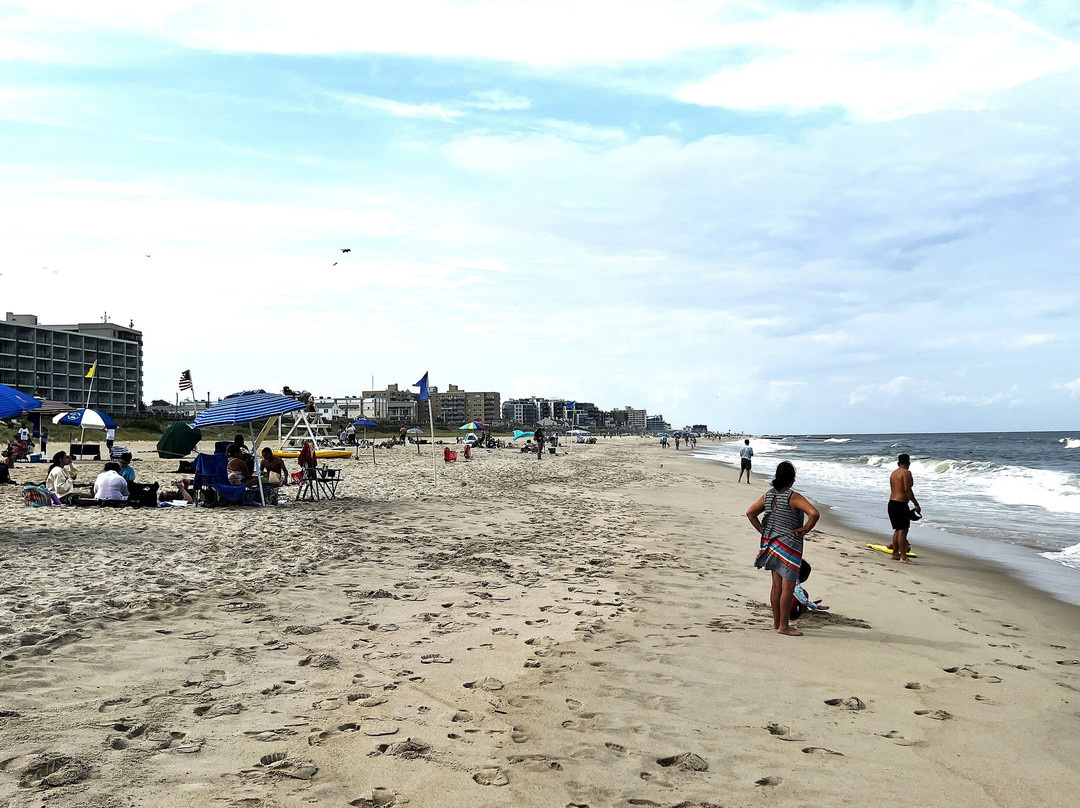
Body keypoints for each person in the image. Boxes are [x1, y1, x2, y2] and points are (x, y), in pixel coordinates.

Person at [746, 461, 820, 637]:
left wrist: (764, 532)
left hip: (772, 544)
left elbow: (750, 513)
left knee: (776, 585)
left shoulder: (768, 495)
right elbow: (814, 513)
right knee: (788, 586)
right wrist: (805, 529)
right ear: (792, 479)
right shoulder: (793, 497)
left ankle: (776, 623)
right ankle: (784, 626)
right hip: (789, 546)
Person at [887, 453, 921, 564]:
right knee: (903, 530)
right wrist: (916, 504)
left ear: (898, 463)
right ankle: (903, 557)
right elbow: (907, 490)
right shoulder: (906, 473)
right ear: (908, 463)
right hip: (900, 504)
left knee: (898, 529)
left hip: (892, 503)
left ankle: (895, 554)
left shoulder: (894, 473)